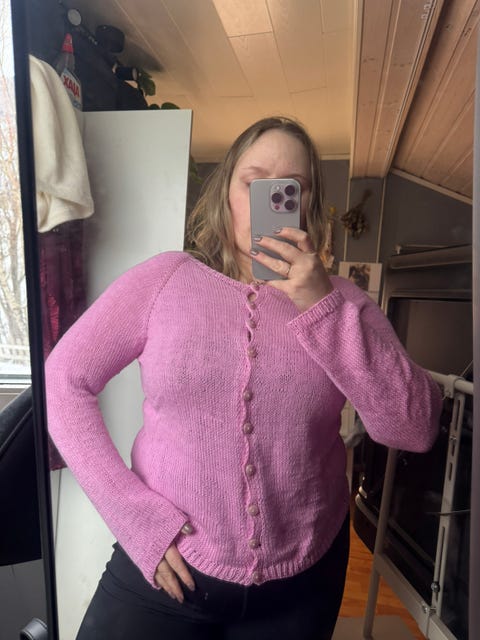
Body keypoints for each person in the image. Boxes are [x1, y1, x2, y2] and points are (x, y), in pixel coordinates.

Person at [45, 116, 442, 640]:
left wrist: (321, 306)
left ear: (308, 205)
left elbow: (413, 427)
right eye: (254, 183)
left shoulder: (343, 304)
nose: (270, 201)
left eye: (290, 188)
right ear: (226, 195)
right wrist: (135, 519)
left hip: (302, 585)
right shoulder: (165, 281)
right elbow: (63, 381)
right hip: (166, 569)